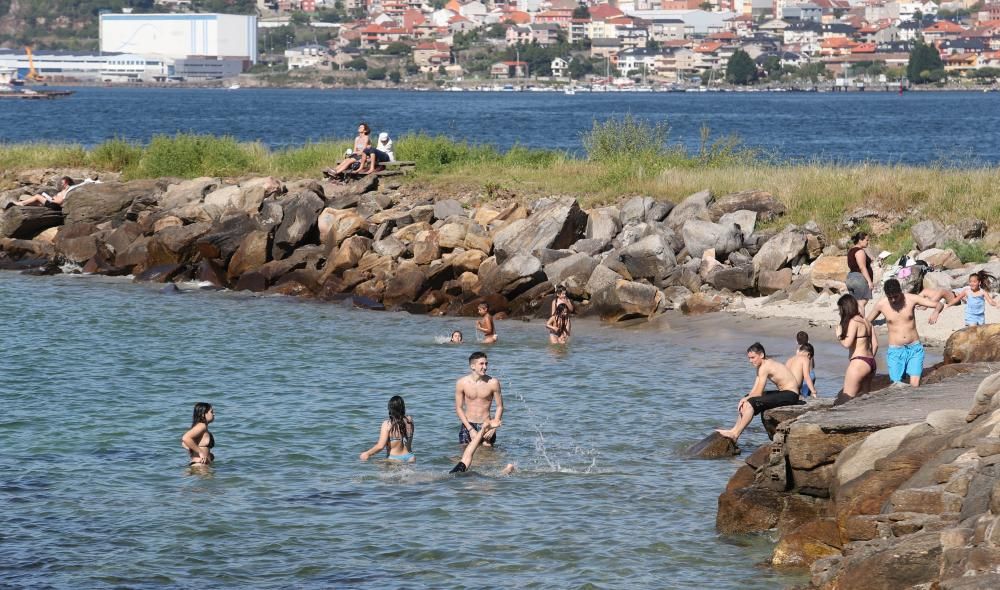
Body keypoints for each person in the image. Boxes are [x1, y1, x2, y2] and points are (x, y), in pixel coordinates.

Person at [715, 343, 804, 443]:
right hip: (784, 392)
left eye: (753, 357)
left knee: (751, 403)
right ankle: (733, 430)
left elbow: (758, 392)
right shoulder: (761, 366)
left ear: (761, 355)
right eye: (749, 358)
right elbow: (754, 390)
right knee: (747, 399)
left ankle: (735, 434)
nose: (750, 361)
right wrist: (745, 398)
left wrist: (746, 400)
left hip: (791, 395)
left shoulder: (766, 366)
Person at [866, 278, 944, 386]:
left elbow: (939, 304)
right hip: (895, 351)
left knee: (914, 386)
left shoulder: (912, 299)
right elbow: (866, 322)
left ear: (900, 291)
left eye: (896, 296)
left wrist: (935, 312)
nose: (893, 300)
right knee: (897, 386)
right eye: (890, 297)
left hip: (914, 349)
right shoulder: (881, 305)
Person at [835, 294, 878, 402]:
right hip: (871, 362)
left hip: (859, 363)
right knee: (865, 398)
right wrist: (868, 360)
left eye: (840, 309)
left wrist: (839, 335)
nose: (840, 312)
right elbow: (875, 345)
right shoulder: (867, 322)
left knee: (846, 399)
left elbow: (847, 344)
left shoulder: (853, 322)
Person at [455, 351, 503, 447]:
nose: (485, 367)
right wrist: (470, 429)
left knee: (487, 456)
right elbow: (458, 408)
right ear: (472, 366)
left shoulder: (493, 383)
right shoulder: (462, 383)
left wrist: (494, 427)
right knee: (465, 456)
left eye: (486, 364)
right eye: (481, 364)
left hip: (487, 425)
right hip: (468, 425)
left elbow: (500, 406)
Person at [449, 418, 515, 475]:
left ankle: (483, 430)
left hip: (465, 477)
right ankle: (483, 430)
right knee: (466, 457)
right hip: (461, 476)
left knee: (466, 457)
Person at [360, 395, 415, 462]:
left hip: (394, 459)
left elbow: (380, 446)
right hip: (410, 457)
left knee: (374, 464)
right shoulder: (409, 420)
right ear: (403, 407)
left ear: (390, 408)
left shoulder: (387, 424)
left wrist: (367, 453)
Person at [846, 232, 875, 316]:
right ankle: (861, 324)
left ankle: (853, 322)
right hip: (859, 279)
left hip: (850, 278)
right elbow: (862, 267)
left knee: (855, 304)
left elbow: (855, 264)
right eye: (866, 240)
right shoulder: (860, 251)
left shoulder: (851, 250)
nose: (868, 242)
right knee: (862, 303)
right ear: (860, 240)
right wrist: (869, 281)